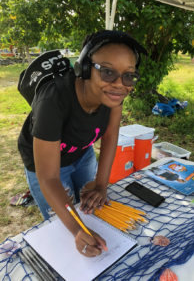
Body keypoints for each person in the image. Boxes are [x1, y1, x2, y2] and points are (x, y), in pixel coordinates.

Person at [18, 30, 147, 257]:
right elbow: (48, 178)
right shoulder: (52, 100)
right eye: (107, 72)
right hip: (47, 166)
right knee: (65, 224)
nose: (120, 84)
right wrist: (78, 230)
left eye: (128, 76)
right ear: (84, 68)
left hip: (82, 153)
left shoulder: (113, 96)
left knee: (91, 209)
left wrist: (101, 184)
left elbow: (109, 136)